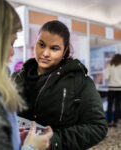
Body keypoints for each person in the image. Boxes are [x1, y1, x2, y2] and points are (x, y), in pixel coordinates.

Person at [12, 20, 108, 150]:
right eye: (41, 44)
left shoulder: (80, 81)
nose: (45, 53)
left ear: (64, 51)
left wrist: (53, 142)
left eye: (54, 48)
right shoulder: (17, 77)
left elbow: (98, 127)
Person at [0, 0, 53, 150]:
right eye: (10, 43)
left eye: (54, 48)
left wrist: (12, 137)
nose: (12, 52)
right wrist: (32, 147)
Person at [104, 54, 121, 127]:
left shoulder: (109, 66)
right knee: (118, 105)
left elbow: (106, 77)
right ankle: (116, 122)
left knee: (110, 105)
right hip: (120, 88)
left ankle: (109, 122)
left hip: (111, 88)